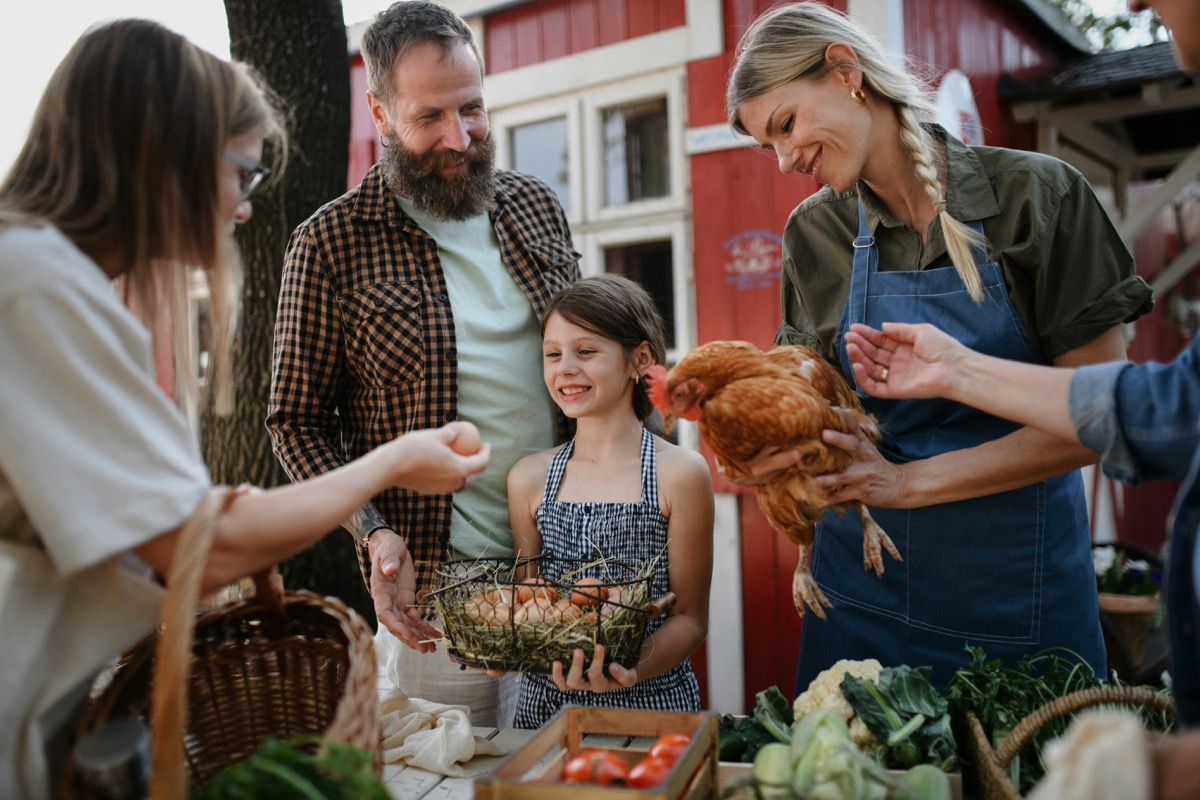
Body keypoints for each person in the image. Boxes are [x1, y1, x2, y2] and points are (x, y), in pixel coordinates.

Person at [0, 19, 489, 800]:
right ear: (165, 154)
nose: (242, 209)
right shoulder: (35, 285)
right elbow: (199, 547)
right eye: (242, 175)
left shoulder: (48, 277)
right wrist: (394, 462)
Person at [724, 1, 1154, 692]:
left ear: (845, 72)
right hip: (858, 590)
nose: (783, 161)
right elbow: (812, 404)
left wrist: (906, 483)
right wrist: (765, 441)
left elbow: (1099, 417)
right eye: (765, 146)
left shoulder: (1037, 196)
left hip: (1016, 591)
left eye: (785, 125)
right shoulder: (814, 233)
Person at [266, 0, 579, 727]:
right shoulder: (329, 245)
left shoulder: (535, 205)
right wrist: (373, 532)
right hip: (442, 601)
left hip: (573, 571)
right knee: (454, 777)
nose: (459, 138)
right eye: (429, 117)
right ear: (378, 112)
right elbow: (295, 423)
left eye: (471, 108)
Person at [504, 274, 713, 728]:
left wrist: (628, 667)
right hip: (546, 709)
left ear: (640, 359)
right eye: (553, 354)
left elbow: (691, 619)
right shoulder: (528, 478)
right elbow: (532, 601)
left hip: (651, 707)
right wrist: (508, 643)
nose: (565, 369)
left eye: (586, 351)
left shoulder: (681, 473)